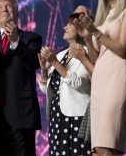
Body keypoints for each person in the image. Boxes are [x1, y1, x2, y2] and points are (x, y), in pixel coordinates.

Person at [76, 0, 126, 155]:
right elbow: (98, 58)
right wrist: (87, 38)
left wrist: (95, 32)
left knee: (107, 145)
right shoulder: (103, 18)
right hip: (100, 81)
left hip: (116, 78)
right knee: (97, 149)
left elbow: (122, 49)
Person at [0, 0, 42, 156]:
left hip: (20, 112)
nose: (4, 9)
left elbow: (32, 63)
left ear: (16, 12)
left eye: (8, 6)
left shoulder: (31, 38)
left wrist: (15, 40)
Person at [38, 10, 92, 156]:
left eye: (70, 24)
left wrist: (55, 62)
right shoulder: (61, 54)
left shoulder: (87, 52)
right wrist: (44, 71)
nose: (65, 27)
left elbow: (80, 83)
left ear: (81, 28)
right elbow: (46, 89)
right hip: (57, 118)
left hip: (77, 118)